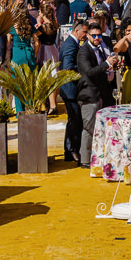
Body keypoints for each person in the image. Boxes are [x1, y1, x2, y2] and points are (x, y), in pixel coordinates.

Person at [76, 24, 119, 168]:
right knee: (88, 128)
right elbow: (89, 72)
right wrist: (106, 63)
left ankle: (96, 157)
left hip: (100, 93)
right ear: (88, 35)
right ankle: (85, 160)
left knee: (98, 128)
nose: (96, 38)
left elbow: (100, 69)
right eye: (93, 35)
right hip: (88, 95)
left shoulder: (99, 49)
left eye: (99, 35)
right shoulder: (83, 52)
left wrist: (110, 67)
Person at [59, 19, 87, 163]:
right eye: (85, 32)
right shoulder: (70, 45)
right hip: (69, 89)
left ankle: (71, 150)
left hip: (70, 89)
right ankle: (70, 150)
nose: (86, 35)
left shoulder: (72, 43)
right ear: (77, 31)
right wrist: (83, 69)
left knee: (75, 120)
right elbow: (67, 67)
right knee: (74, 120)